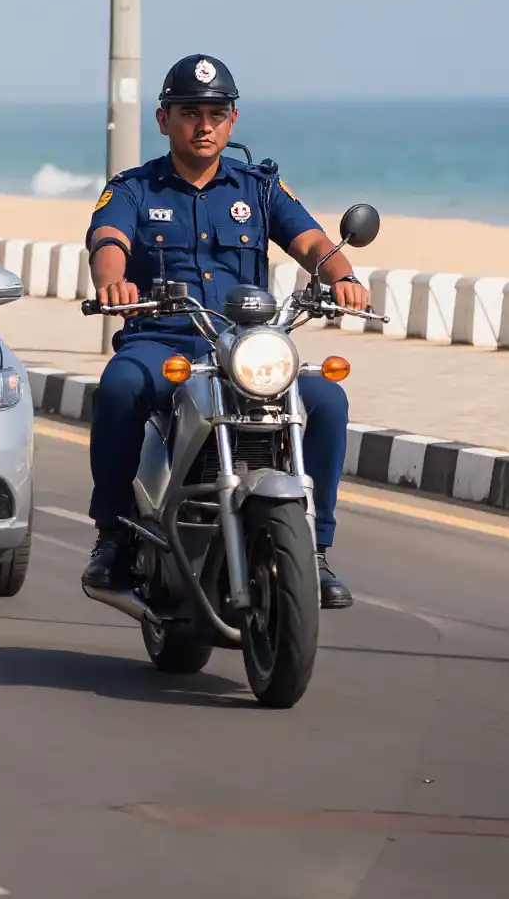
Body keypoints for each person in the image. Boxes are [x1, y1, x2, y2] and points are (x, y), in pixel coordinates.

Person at [80, 54, 367, 608]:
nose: (204, 124)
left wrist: (344, 277)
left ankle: (316, 551)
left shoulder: (258, 189)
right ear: (164, 120)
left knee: (326, 400)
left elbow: (309, 241)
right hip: (162, 343)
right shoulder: (136, 188)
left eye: (217, 112)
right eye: (191, 112)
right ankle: (112, 536)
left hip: (243, 350)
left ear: (233, 121)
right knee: (118, 387)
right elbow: (107, 239)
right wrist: (113, 283)